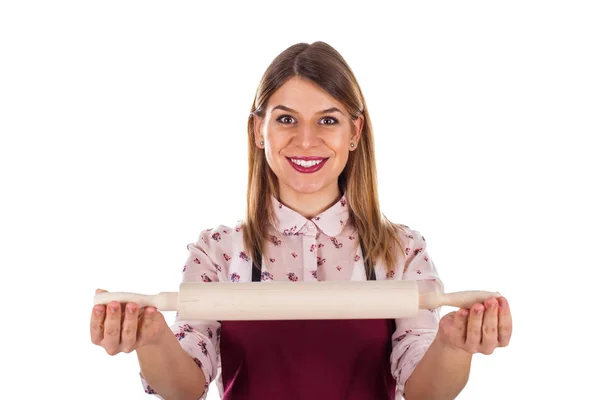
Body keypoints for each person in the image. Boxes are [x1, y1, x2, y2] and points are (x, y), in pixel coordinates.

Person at [90, 41, 513, 400]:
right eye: (286, 119)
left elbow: (425, 388)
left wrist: (453, 345)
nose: (306, 140)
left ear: (354, 132)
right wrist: (153, 338)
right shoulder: (219, 251)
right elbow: (186, 386)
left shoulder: (400, 250)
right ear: (259, 131)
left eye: (327, 120)